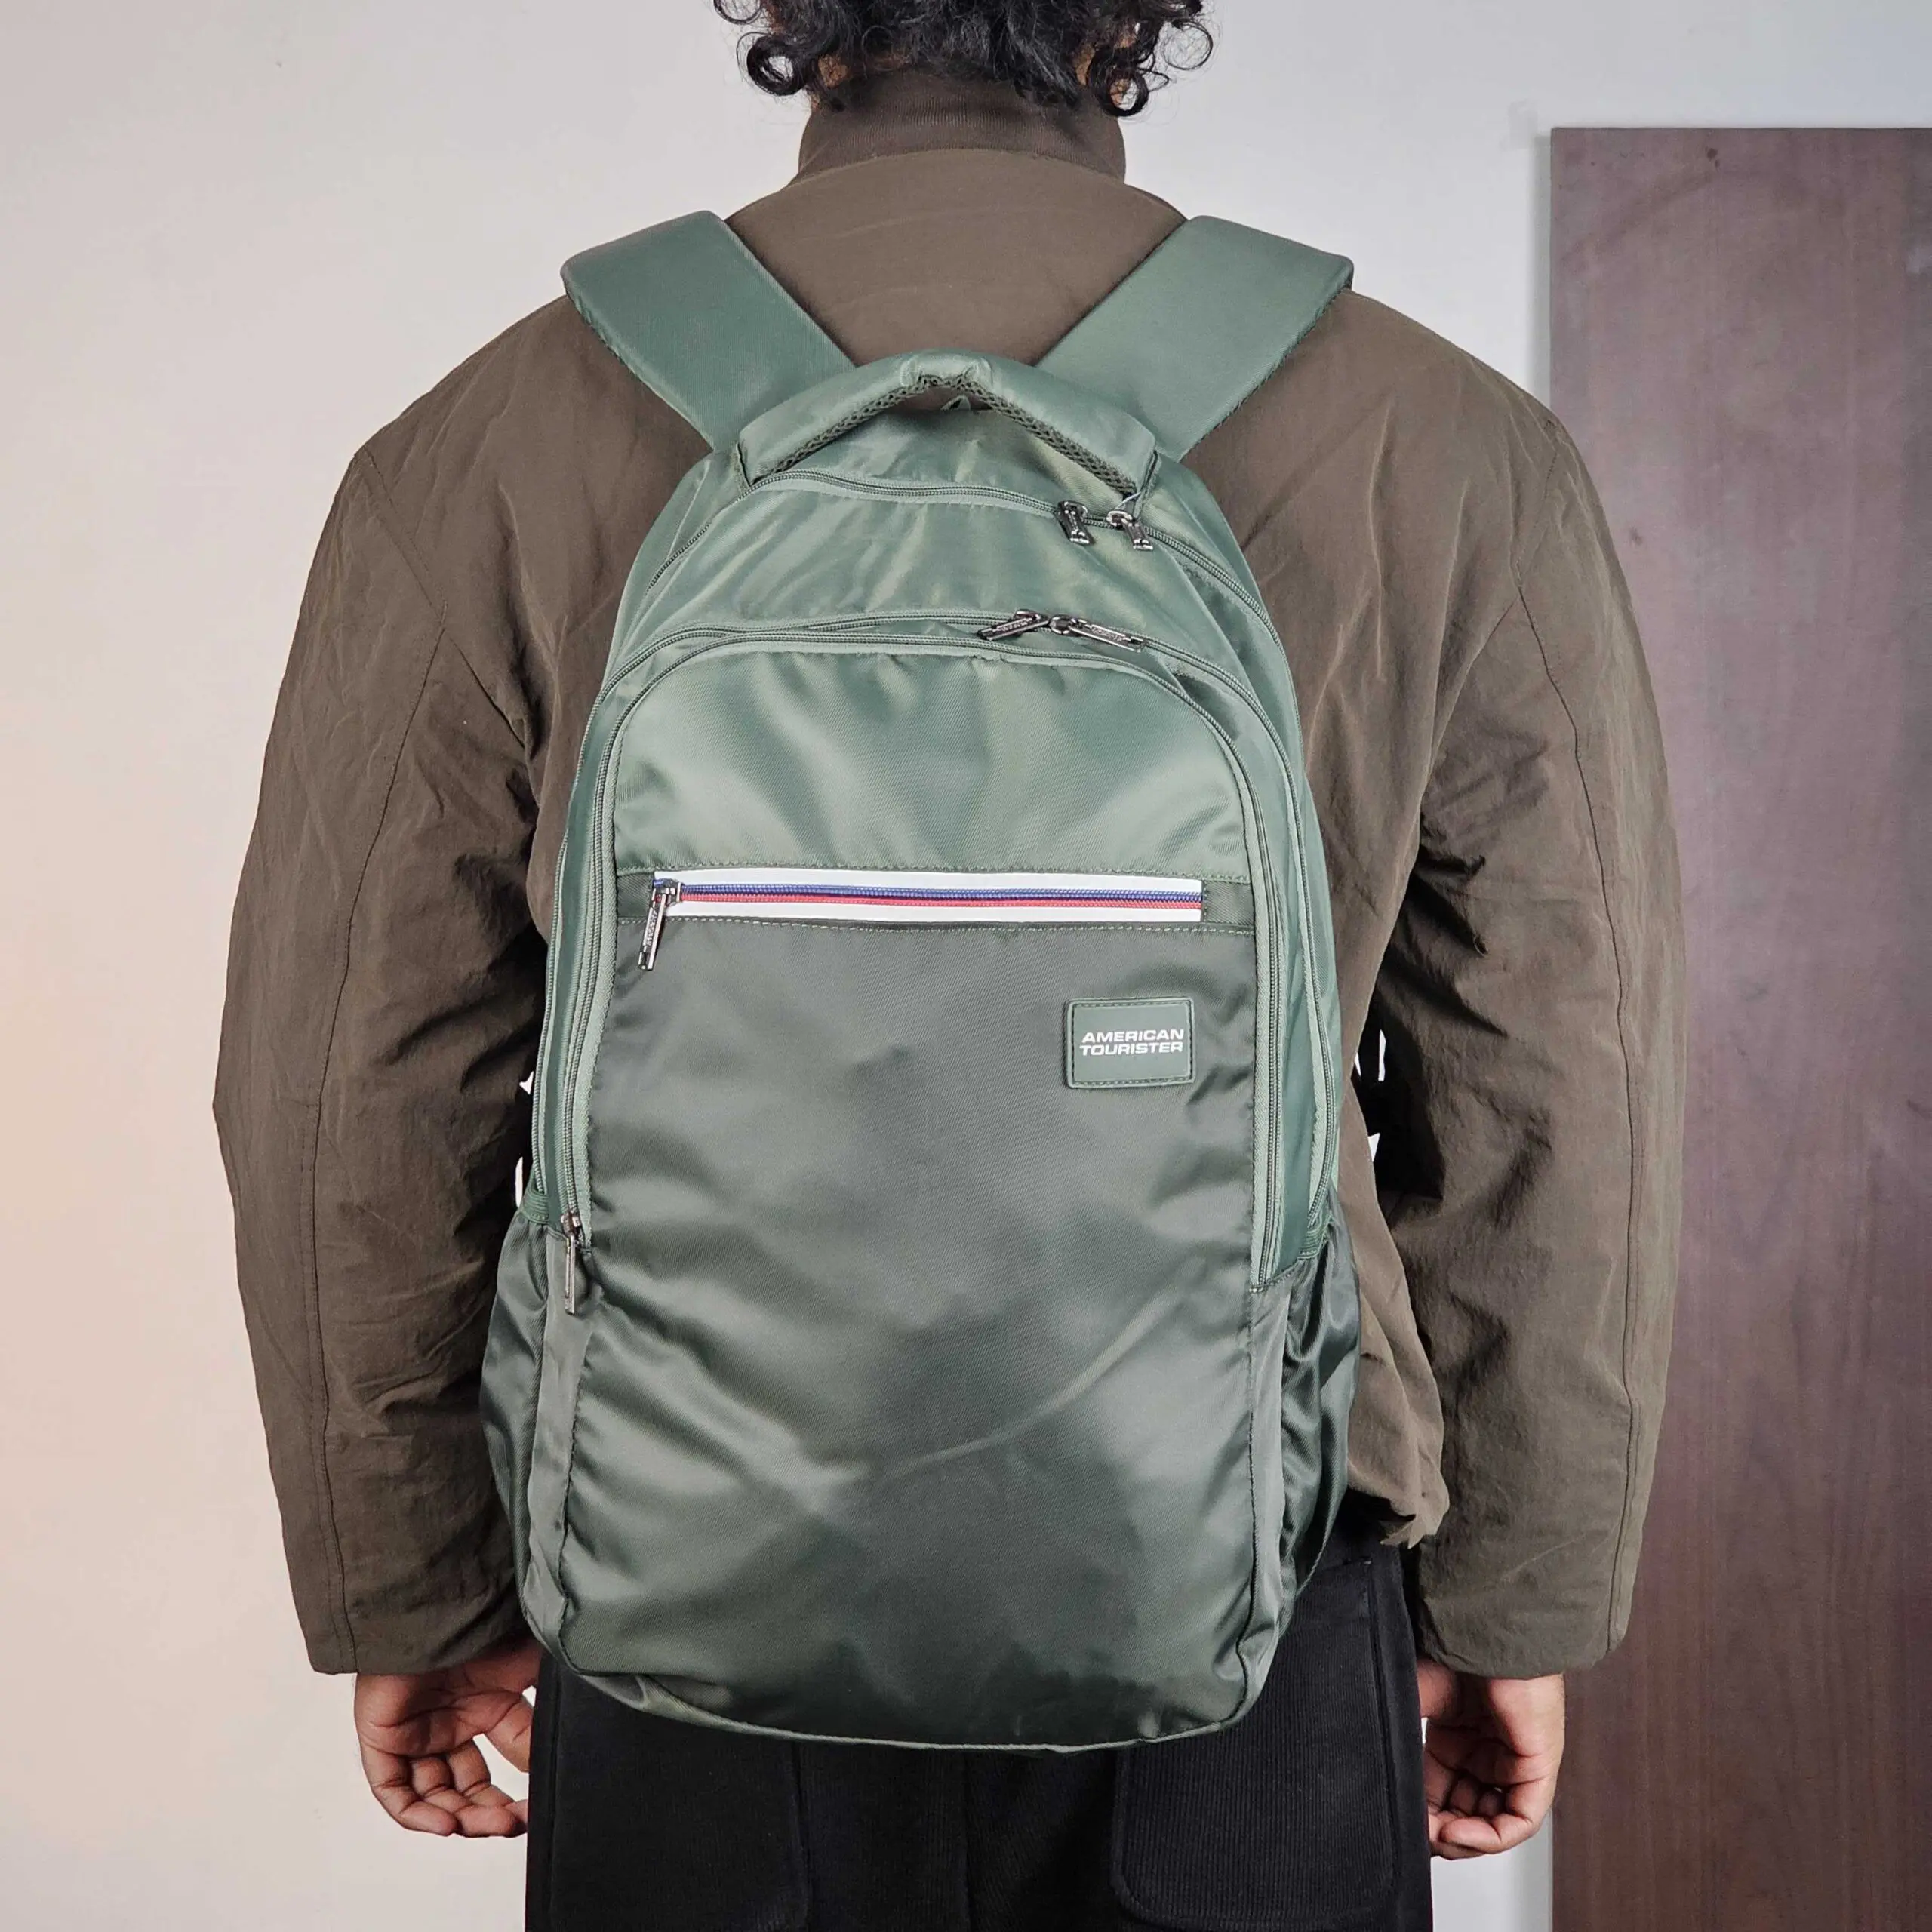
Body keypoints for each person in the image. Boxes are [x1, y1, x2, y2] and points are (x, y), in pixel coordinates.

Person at [214, 4, 1684, 1927]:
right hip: (1256, 1567)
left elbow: (345, 1083)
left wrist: (413, 1585)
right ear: (1135, 22)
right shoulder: (1447, 444)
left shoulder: (484, 443)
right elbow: (1560, 1076)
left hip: (673, 1582)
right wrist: (1507, 1603)